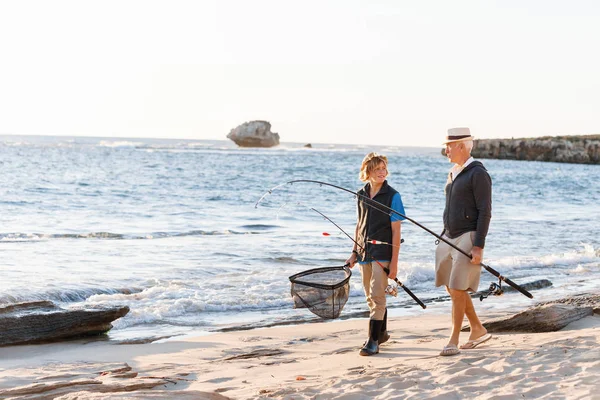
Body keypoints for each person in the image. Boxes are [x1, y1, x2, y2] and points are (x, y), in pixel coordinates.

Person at [436, 127, 493, 356]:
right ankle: (478, 329)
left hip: (468, 237)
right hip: (448, 236)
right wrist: (443, 232)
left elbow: (485, 211)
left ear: (461, 146)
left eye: (449, 146)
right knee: (452, 288)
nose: (446, 150)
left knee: (458, 288)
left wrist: (478, 245)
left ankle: (453, 339)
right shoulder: (453, 172)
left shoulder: (478, 173)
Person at [345, 152, 406, 356]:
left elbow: (396, 231)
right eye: (377, 169)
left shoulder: (393, 196)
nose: (382, 172)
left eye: (384, 168)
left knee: (377, 296)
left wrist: (394, 264)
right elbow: (359, 225)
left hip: (383, 252)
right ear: (368, 172)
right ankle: (382, 333)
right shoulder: (361, 194)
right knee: (370, 297)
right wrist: (354, 252)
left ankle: (373, 341)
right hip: (364, 253)